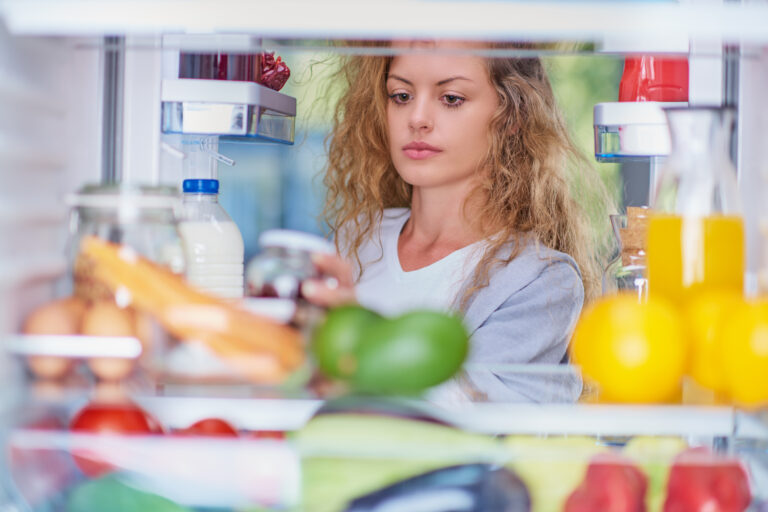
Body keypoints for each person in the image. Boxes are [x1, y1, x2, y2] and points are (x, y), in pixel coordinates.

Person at [301, 40, 612, 403]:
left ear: (512, 115)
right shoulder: (360, 237)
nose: (417, 118)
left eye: (450, 99)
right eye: (401, 95)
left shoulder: (540, 280)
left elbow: (476, 414)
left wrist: (352, 354)